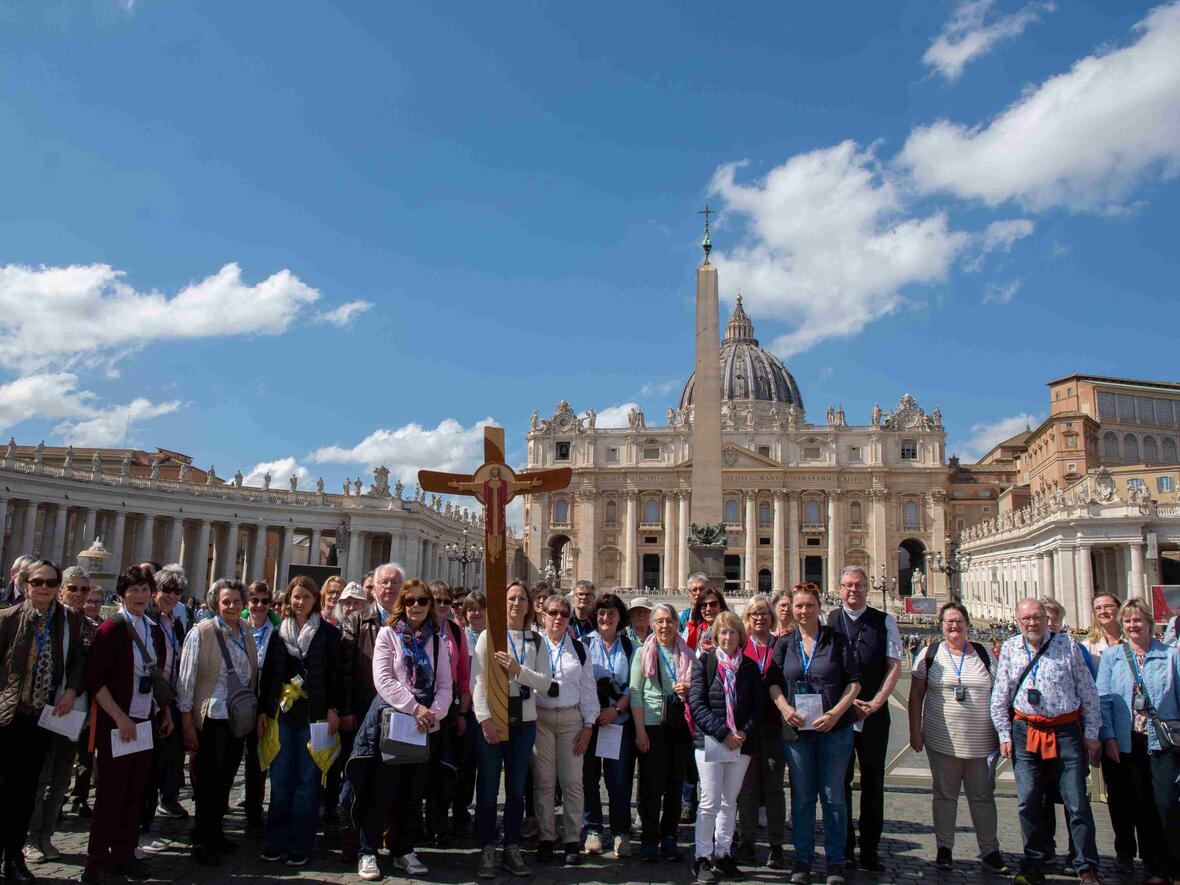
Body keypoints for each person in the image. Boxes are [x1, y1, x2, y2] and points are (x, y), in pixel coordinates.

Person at [989, 597, 1101, 885]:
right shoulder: (1012, 648)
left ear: (1046, 618)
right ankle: (1034, 861)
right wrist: (1004, 734)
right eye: (1026, 618)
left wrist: (1091, 735)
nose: (1032, 623)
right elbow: (1000, 695)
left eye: (1037, 617)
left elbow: (1088, 692)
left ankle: (1085, 865)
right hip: (1025, 730)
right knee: (1028, 800)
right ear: (1017, 620)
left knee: (1076, 800)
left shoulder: (1068, 646)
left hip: (1065, 731)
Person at [350, 579, 453, 880]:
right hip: (394, 722)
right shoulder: (388, 635)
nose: (417, 607)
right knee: (382, 789)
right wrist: (415, 708)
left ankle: (403, 849)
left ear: (430, 605)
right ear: (402, 605)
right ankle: (368, 850)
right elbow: (383, 680)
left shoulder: (437, 640)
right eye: (411, 601)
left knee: (412, 792)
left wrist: (433, 714)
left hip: (425, 726)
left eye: (423, 601)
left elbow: (445, 685)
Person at [767, 582, 861, 885]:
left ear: (819, 607)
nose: (804, 610)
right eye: (798, 606)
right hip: (798, 731)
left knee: (834, 797)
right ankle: (803, 860)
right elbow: (773, 682)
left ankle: (835, 861)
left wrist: (836, 713)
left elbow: (855, 682)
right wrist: (784, 709)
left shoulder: (836, 640)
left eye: (809, 605)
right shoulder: (784, 644)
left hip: (834, 729)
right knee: (803, 797)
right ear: (790, 609)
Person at [0, 560, 88, 883]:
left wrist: (72, 690)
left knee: (26, 792)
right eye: (38, 582)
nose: (45, 588)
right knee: (5, 790)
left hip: (43, 717)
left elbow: (78, 657)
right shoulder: (8, 619)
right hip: (9, 717)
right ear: (27, 584)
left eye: (51, 583)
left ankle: (13, 858)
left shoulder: (68, 622)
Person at [84, 565, 172, 884]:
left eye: (145, 590)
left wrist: (164, 712)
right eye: (133, 590)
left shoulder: (154, 628)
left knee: (136, 792)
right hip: (117, 723)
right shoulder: (112, 628)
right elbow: (95, 679)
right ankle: (96, 861)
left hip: (144, 719)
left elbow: (157, 675)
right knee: (110, 794)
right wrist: (119, 718)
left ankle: (124, 855)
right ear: (122, 594)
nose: (139, 595)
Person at [907, 602, 1006, 874]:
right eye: (949, 621)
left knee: (983, 795)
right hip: (943, 737)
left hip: (982, 740)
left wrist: (1004, 733)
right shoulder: (930, 653)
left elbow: (1001, 694)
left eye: (959, 620)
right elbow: (916, 695)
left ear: (967, 624)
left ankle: (990, 849)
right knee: (944, 794)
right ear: (941, 625)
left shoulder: (985, 654)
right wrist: (915, 731)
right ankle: (944, 848)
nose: (954, 625)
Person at [471, 581, 553, 879]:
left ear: (530, 605)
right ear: (502, 604)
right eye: (511, 598)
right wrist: (484, 720)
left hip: (525, 722)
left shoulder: (536, 640)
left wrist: (519, 670)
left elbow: (545, 682)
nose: (516, 603)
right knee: (490, 789)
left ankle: (512, 846)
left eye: (521, 599)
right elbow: (477, 682)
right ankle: (488, 847)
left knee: (517, 790)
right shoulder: (487, 637)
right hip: (494, 720)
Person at [260, 574, 342, 866]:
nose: (300, 602)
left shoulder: (328, 634)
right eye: (296, 596)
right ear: (288, 599)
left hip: (315, 716)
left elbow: (336, 676)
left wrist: (334, 708)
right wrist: (263, 711)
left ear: (315, 600)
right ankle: (276, 841)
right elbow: (268, 675)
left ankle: (301, 844)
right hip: (283, 716)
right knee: (281, 780)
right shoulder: (277, 633)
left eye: (306, 597)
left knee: (308, 782)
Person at [1097, 597, 1180, 884]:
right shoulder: (1112, 657)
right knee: (1129, 801)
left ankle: (1162, 863)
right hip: (1124, 740)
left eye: (1138, 620)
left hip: (1162, 741)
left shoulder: (1171, 656)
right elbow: (1103, 700)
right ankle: (1138, 859)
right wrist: (1107, 736)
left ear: (1149, 623)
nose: (1133, 625)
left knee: (1163, 804)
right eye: (1128, 621)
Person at [176, 578, 257, 865]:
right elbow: (186, 680)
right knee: (208, 781)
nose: (232, 606)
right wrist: (186, 719)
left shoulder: (245, 630)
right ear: (215, 604)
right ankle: (202, 838)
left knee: (225, 778)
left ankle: (216, 833)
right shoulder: (202, 632)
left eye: (236, 601)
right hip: (211, 715)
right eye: (226, 602)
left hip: (237, 718)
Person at [826, 565, 901, 873]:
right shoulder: (828, 621)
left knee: (873, 783)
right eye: (847, 585)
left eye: (857, 585)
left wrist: (875, 703)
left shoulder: (886, 621)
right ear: (839, 588)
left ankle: (869, 849)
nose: (852, 590)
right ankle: (843, 848)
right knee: (838, 784)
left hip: (873, 715)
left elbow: (894, 666)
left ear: (867, 588)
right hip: (839, 717)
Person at [24, 567, 97, 866]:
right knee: (39, 777)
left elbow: (85, 664)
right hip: (45, 708)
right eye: (73, 589)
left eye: (83, 590)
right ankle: (30, 836)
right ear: (61, 589)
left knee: (61, 777)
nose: (78, 595)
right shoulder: (46, 619)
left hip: (74, 710)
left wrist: (74, 692)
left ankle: (47, 834)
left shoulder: (87, 624)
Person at [688, 610, 764, 884]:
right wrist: (723, 733)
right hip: (710, 743)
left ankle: (723, 853)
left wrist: (743, 732)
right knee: (708, 802)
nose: (728, 636)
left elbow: (758, 706)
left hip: (740, 744)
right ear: (716, 636)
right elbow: (696, 704)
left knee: (729, 802)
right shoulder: (704, 663)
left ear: (741, 636)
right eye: (723, 631)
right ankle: (702, 857)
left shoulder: (749, 668)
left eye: (733, 631)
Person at [532, 593, 597, 865]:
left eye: (563, 614)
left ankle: (572, 839)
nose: (558, 618)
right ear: (543, 615)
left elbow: (589, 691)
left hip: (571, 721)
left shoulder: (580, 649)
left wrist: (589, 726)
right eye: (553, 613)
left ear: (570, 619)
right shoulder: (533, 646)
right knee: (544, 782)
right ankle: (546, 837)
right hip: (540, 720)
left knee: (572, 783)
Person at [1078, 593, 1139, 873]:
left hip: (1141, 728)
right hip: (1106, 727)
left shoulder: (1139, 643)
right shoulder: (1088, 646)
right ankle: (1124, 850)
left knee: (1151, 794)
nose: (1104, 612)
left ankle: (1156, 854)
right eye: (1099, 608)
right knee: (1118, 792)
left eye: (1109, 607)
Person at [631, 602, 693, 864]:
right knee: (650, 785)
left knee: (674, 784)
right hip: (653, 724)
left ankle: (669, 836)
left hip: (678, 724)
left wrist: (688, 689)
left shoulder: (687, 653)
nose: (665, 625)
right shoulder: (642, 652)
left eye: (669, 620)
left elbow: (697, 690)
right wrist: (640, 731)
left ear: (677, 623)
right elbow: (635, 693)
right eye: (659, 621)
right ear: (652, 625)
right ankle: (649, 837)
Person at [733, 593, 787, 869]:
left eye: (764, 612)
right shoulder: (740, 648)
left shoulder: (782, 645)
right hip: (747, 729)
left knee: (775, 788)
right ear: (747, 618)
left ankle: (777, 845)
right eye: (754, 613)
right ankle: (747, 841)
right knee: (748, 788)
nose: (760, 617)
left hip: (775, 726)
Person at [582, 592, 635, 859]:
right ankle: (592, 829)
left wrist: (615, 710)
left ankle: (620, 832)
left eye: (611, 612)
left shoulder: (630, 647)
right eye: (601, 613)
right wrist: (594, 714)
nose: (605, 617)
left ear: (619, 617)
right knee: (589, 777)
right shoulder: (582, 644)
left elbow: (634, 687)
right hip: (589, 723)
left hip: (618, 722)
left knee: (619, 780)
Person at [141, 564, 190, 849]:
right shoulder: (146, 620)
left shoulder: (176, 621)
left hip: (168, 701)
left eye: (177, 592)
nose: (172, 596)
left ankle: (149, 820)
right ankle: (139, 829)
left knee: (162, 763)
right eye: (167, 591)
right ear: (155, 592)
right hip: (148, 704)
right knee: (146, 768)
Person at [424, 580, 472, 844]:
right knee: (418, 771)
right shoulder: (415, 629)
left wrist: (463, 713)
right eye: (437, 601)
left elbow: (464, 675)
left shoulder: (455, 630)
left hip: (449, 712)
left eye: (446, 601)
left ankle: (438, 825)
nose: (442, 606)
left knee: (443, 768)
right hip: (419, 711)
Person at [340, 563, 404, 735]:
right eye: (384, 582)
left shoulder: (411, 623)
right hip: (364, 706)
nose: (389, 587)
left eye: (395, 582)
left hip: (401, 708)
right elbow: (345, 670)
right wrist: (347, 710)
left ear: (403, 588)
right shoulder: (356, 621)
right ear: (374, 588)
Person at [242, 581, 276, 832]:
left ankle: (254, 811)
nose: (259, 606)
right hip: (236, 701)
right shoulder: (236, 627)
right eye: (255, 601)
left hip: (264, 702)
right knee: (229, 758)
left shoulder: (277, 631)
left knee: (257, 759)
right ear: (248, 602)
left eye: (265, 601)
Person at [70, 586, 105, 820]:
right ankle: (59, 795)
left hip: (93, 701)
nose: (92, 605)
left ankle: (80, 798)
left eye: (97, 602)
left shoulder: (104, 628)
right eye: (89, 601)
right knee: (64, 751)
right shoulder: (73, 625)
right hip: (71, 698)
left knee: (86, 752)